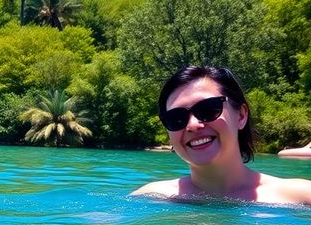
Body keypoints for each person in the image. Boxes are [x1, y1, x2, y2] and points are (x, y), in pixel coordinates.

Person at [132, 65, 311, 204]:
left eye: (208, 109)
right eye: (176, 118)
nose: (192, 125)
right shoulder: (150, 199)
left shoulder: (302, 197)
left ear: (241, 115)